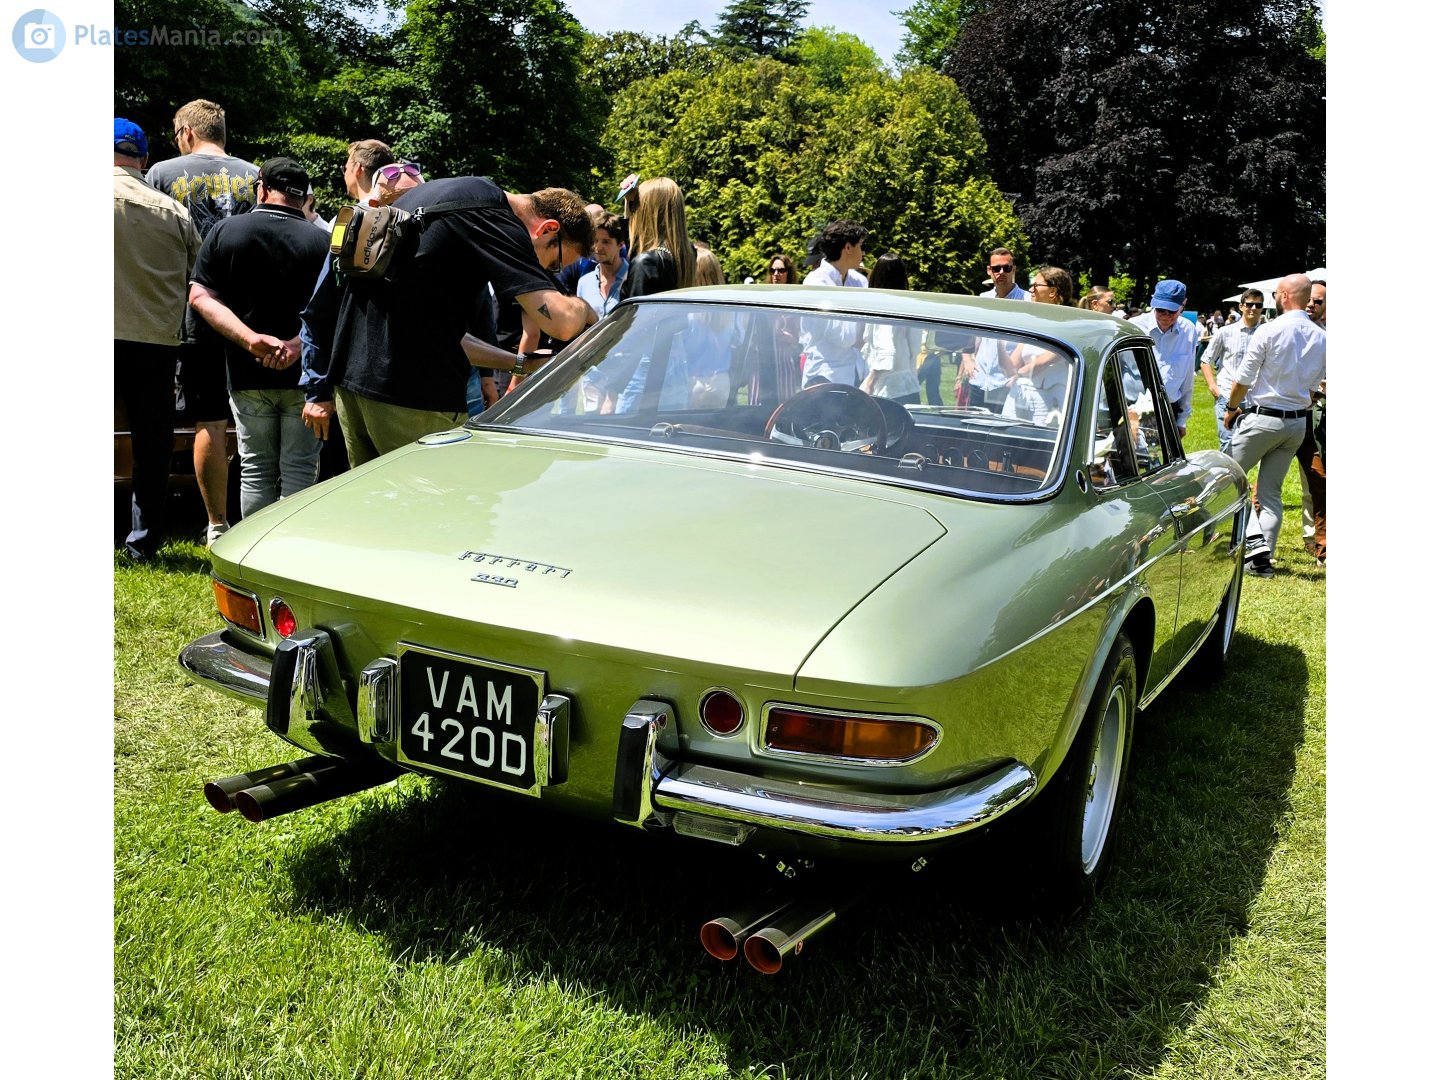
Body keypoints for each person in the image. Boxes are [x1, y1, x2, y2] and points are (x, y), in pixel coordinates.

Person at [325, 178, 596, 465]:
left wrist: (519, 364)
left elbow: (440, 333)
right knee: (436, 506)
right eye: (554, 264)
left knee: (371, 505)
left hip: (354, 386)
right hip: (412, 400)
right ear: (548, 229)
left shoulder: (449, 195)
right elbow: (561, 323)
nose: (547, 272)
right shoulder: (493, 215)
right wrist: (587, 311)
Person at [188, 158, 331, 518]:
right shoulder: (325, 242)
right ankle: (290, 557)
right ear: (303, 197)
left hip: (246, 372)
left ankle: (252, 558)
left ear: (262, 187)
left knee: (255, 470)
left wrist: (251, 339)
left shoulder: (225, 231)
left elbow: (200, 297)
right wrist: (298, 345)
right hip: (305, 378)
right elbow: (339, 310)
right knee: (299, 470)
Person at [146, 99, 260, 547]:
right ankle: (259, 516)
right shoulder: (256, 175)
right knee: (253, 419)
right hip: (253, 318)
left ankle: (217, 523)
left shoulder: (162, 173)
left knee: (208, 421)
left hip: (194, 314)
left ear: (187, 133)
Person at [114, 119, 202, 561]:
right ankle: (143, 541)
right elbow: (197, 273)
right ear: (144, 160)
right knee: (152, 446)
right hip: (156, 342)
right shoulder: (175, 211)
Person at [1222, 273, 1326, 578]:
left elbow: (1243, 379)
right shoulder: (1323, 337)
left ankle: (1254, 546)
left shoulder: (1268, 331)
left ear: (1282, 296)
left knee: (1226, 479)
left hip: (1263, 418)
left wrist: (1230, 408)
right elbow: (1313, 388)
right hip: (1296, 424)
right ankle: (1262, 559)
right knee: (1270, 493)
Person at [798, 219, 869, 387]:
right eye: (860, 246)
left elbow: (865, 333)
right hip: (824, 378)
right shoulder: (815, 283)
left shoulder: (859, 282)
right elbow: (843, 337)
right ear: (848, 248)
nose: (863, 253)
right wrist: (861, 332)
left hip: (857, 374)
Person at [961, 246, 1030, 411]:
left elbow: (1029, 343)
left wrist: (1019, 374)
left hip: (1007, 382)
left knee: (1001, 434)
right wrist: (967, 359)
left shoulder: (1027, 301)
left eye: (1006, 268)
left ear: (1013, 269)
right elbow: (971, 334)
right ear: (989, 270)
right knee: (974, 430)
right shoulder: (983, 299)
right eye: (996, 268)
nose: (1001, 272)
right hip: (979, 380)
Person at [1002, 266, 1073, 424]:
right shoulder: (1032, 322)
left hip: (1049, 402)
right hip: (1019, 395)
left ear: (1053, 292)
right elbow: (1013, 365)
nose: (1031, 290)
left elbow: (1043, 361)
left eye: (1036, 285)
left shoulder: (1067, 323)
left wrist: (1020, 373)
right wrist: (999, 345)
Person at [1129, 279, 1197, 439]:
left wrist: (1181, 420)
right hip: (1133, 410)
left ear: (1183, 305)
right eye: (1160, 310)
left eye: (1172, 311)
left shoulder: (1188, 331)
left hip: (1169, 409)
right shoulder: (1133, 327)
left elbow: (1187, 379)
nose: (1166, 316)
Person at [1199, 288, 1264, 455]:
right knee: (1228, 443)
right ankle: (1230, 481)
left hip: (1255, 398)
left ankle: (1242, 480)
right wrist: (1213, 387)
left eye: (1258, 305)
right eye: (1250, 304)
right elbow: (1206, 360)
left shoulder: (1267, 334)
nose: (1254, 309)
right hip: (1226, 394)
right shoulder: (1225, 332)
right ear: (1241, 306)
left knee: (1249, 447)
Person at [859, 253, 922, 404]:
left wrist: (869, 382)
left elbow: (886, 352)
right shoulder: (909, 305)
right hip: (909, 383)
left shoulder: (883, 307)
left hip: (887, 390)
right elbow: (914, 347)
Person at [1296, 279, 1326, 563]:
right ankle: (1312, 538)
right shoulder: (1293, 331)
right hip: (1293, 415)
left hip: (1320, 414)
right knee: (1311, 478)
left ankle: (1317, 539)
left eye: (1318, 301)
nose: (1311, 305)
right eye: (1309, 299)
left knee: (1317, 478)